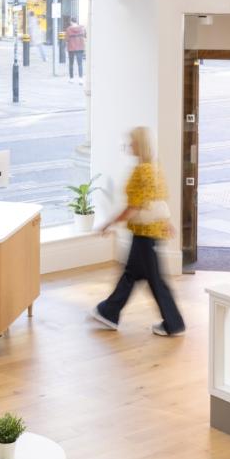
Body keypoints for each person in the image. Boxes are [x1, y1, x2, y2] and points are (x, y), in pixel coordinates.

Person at [90, 126, 185, 336]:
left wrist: (109, 223)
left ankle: (174, 323)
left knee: (154, 280)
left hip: (144, 233)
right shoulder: (154, 168)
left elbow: (134, 207)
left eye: (131, 142)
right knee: (132, 274)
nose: (128, 146)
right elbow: (158, 201)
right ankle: (109, 312)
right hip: (149, 232)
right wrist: (166, 222)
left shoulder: (141, 171)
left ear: (138, 144)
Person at [65, 18, 86, 84]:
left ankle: (71, 79)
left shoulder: (68, 29)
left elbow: (66, 39)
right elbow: (85, 36)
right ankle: (81, 79)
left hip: (71, 48)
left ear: (71, 22)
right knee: (80, 64)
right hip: (80, 47)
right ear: (77, 22)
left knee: (71, 64)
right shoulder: (82, 28)